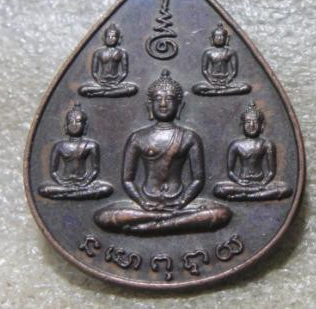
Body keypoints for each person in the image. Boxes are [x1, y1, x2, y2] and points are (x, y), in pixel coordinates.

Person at [94, 69, 231, 234]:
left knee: (222, 214)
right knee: (103, 217)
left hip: (180, 203)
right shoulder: (138, 138)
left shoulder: (189, 137)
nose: (163, 104)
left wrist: (182, 201)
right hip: (146, 203)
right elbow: (128, 180)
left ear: (180, 106)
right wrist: (142, 202)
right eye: (158, 99)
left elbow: (198, 179)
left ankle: (152, 225)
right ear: (149, 106)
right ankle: (171, 223)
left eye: (169, 99)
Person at [213, 101, 292, 201]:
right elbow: (230, 172)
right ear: (241, 126)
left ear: (262, 126)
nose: (251, 125)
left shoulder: (267, 144)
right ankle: (257, 195)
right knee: (219, 189)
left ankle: (247, 197)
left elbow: (271, 172)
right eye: (248, 122)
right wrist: (239, 181)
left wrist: (263, 183)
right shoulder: (236, 145)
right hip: (242, 184)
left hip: (261, 184)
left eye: (255, 122)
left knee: (286, 189)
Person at [38, 103, 113, 200]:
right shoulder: (60, 146)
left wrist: (86, 182)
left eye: (78, 121)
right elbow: (53, 171)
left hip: (84, 183)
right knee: (44, 189)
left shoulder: (91, 145)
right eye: (71, 121)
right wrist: (61, 181)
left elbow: (95, 170)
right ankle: (76, 194)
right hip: (64, 183)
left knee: (106, 189)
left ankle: (68, 195)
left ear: (85, 126)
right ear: (66, 126)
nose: (74, 125)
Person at [78, 24, 138, 98]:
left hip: (116, 82)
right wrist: (99, 81)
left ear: (118, 38)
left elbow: (124, 72)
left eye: (113, 36)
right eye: (108, 36)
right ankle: (111, 93)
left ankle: (100, 94)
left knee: (133, 89)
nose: (110, 38)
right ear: (104, 38)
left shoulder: (122, 53)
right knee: (82, 90)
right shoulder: (98, 52)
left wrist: (117, 81)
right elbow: (94, 72)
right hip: (102, 83)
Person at [192, 23, 251, 96]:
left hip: (227, 82)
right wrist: (210, 80)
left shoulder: (231, 52)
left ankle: (216, 92)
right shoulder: (208, 52)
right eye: (217, 36)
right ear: (212, 39)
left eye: (221, 36)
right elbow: (204, 70)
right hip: (212, 82)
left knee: (246, 87)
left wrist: (228, 80)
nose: (219, 38)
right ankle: (223, 92)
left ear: (227, 39)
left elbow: (234, 71)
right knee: (196, 88)